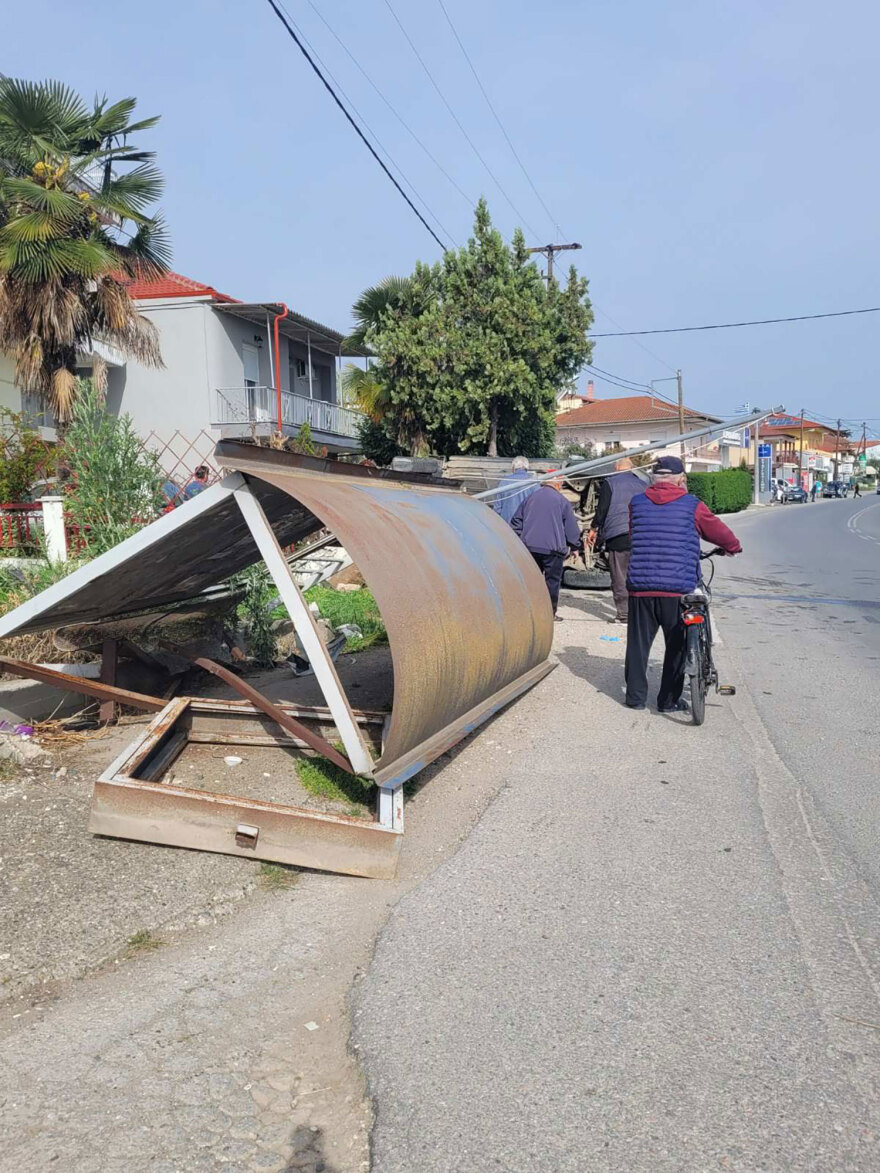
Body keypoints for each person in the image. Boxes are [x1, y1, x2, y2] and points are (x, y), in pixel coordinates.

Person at [625, 456, 742, 713]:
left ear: (654, 479)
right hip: (677, 587)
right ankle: (667, 701)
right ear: (681, 479)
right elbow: (718, 532)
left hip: (640, 586)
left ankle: (634, 699)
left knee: (637, 644)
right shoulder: (692, 505)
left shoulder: (637, 503)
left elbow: (635, 535)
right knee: (677, 645)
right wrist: (732, 547)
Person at [511, 473, 582, 619]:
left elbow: (516, 522)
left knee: (531, 581)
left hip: (530, 547)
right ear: (558, 485)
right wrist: (575, 547)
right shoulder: (562, 501)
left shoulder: (530, 498)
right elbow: (571, 528)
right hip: (553, 549)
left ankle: (530, 613)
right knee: (552, 582)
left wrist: (520, 539)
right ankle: (549, 614)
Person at [587, 457, 645, 623]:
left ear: (617, 467)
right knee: (637, 575)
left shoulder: (610, 483)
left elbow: (602, 508)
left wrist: (593, 528)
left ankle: (624, 614)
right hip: (640, 536)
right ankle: (639, 613)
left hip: (617, 535)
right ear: (631, 468)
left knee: (619, 574)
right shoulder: (643, 484)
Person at [492, 456, 538, 524]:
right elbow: (537, 507)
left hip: (507, 525)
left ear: (513, 467)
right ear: (527, 468)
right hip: (525, 524)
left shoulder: (504, 482)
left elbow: (497, 508)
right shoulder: (534, 483)